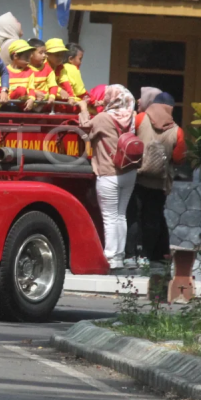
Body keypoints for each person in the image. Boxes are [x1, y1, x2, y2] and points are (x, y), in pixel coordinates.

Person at [77, 85, 138, 269]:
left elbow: (84, 130)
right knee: (121, 216)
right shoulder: (131, 117)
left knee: (110, 217)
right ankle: (118, 256)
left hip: (108, 172)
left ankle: (110, 257)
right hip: (129, 172)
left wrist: (83, 108)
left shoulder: (103, 118)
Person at [124, 92, 187, 270]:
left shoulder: (140, 119)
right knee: (152, 219)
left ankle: (130, 255)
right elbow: (179, 158)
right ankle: (146, 256)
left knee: (133, 216)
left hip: (136, 178)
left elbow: (128, 141)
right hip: (159, 183)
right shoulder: (177, 131)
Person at [26, 38, 58, 109]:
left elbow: (53, 85)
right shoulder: (26, 69)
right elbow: (24, 86)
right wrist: (35, 93)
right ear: (31, 54)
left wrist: (52, 96)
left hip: (44, 102)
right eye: (41, 53)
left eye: (45, 53)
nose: (44, 55)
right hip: (29, 100)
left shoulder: (48, 69)